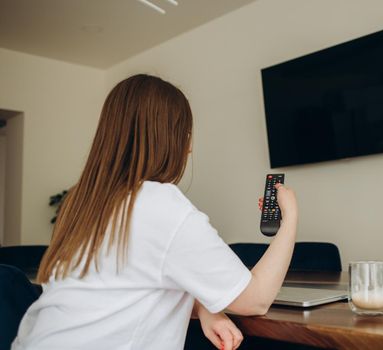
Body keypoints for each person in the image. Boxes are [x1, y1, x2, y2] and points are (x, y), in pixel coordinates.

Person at [12, 74, 298, 350]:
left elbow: (122, 287)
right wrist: (290, 218)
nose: (188, 150)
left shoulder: (80, 202)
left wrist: (204, 307)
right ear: (172, 140)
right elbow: (255, 299)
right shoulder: (159, 203)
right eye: (186, 136)